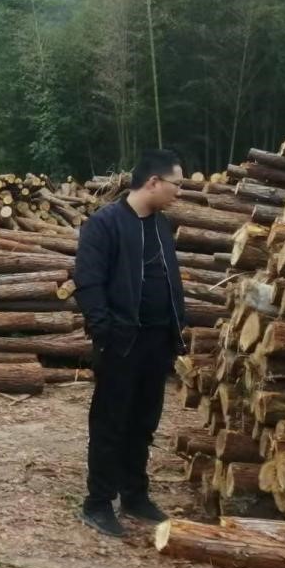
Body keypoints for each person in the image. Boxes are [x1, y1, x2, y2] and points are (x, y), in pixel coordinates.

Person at [72, 148, 188, 537]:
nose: (179, 192)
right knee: (111, 423)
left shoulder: (161, 226)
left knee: (142, 423)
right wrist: (105, 332)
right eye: (176, 184)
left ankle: (134, 495)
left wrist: (176, 328)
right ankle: (97, 503)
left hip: (157, 342)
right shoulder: (104, 225)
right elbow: (88, 282)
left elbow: (169, 281)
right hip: (121, 343)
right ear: (153, 182)